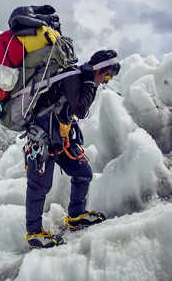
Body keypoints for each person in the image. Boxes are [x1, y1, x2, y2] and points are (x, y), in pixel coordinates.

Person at [24, 49, 121, 248]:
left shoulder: (83, 79)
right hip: (41, 139)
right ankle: (34, 234)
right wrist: (87, 83)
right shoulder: (75, 78)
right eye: (108, 75)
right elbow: (80, 109)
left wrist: (88, 84)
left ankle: (76, 215)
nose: (107, 80)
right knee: (39, 186)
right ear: (99, 69)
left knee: (83, 172)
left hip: (60, 139)